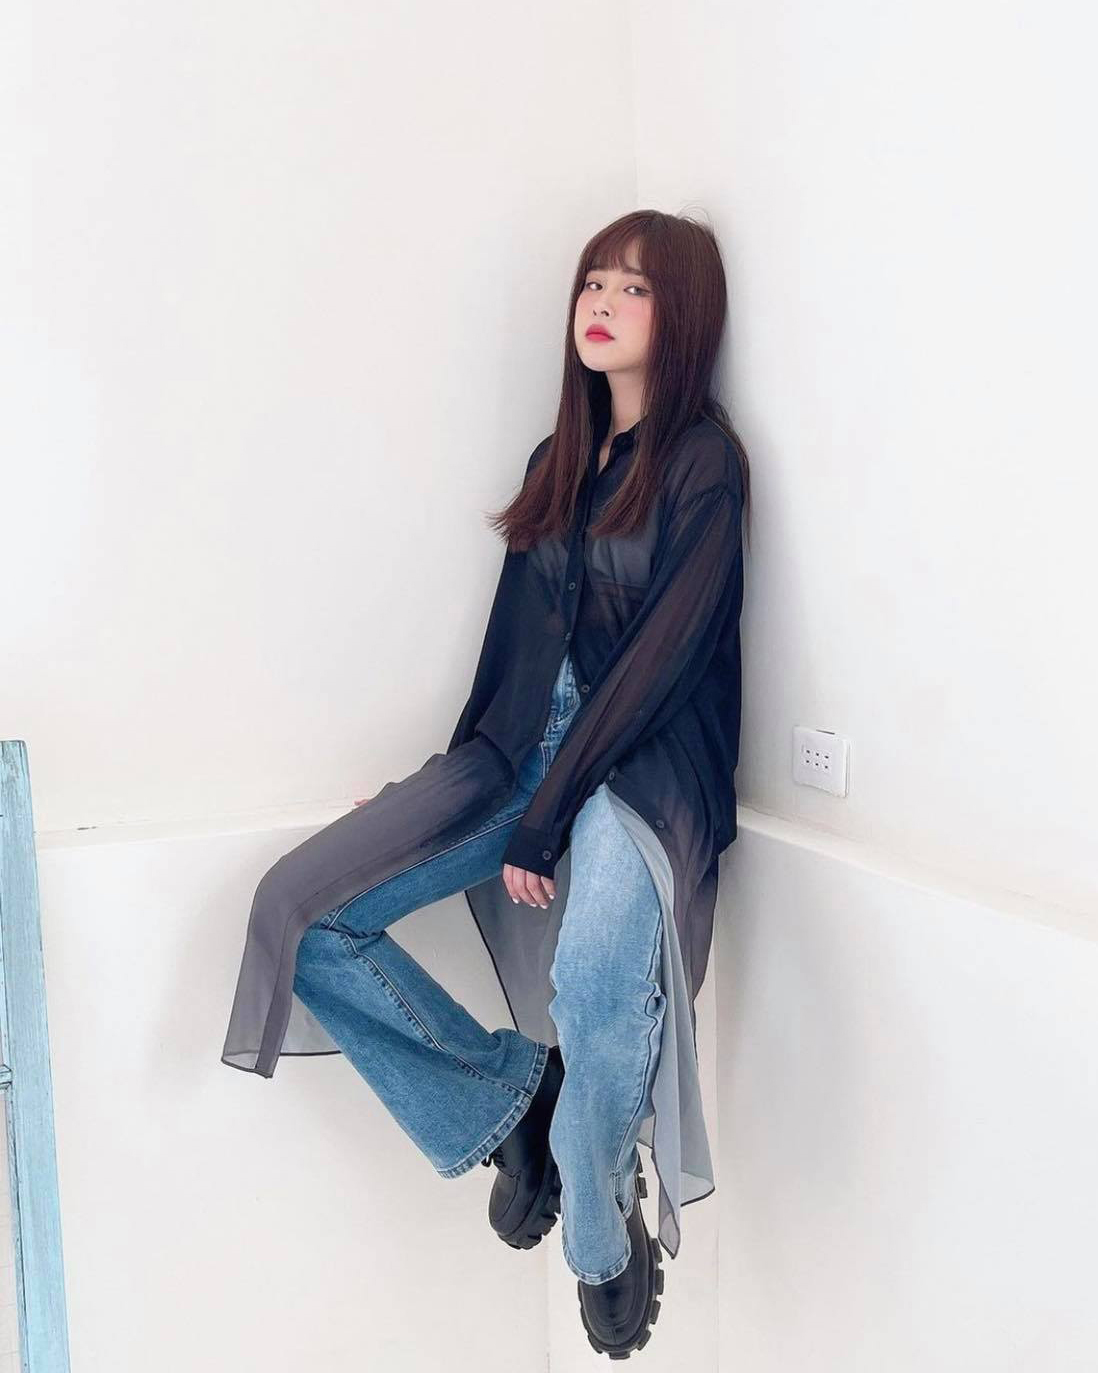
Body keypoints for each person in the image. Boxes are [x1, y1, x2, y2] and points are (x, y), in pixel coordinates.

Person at [221, 208, 750, 1359]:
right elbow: (510, 658)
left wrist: (552, 814)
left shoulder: (706, 463)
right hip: (518, 753)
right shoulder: (554, 463)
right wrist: (427, 798)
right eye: (593, 281)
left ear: (685, 314)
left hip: (641, 770)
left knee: (596, 981)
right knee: (300, 909)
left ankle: (600, 1234)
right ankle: (515, 1102)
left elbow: (661, 661)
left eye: (635, 287)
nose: (602, 302)